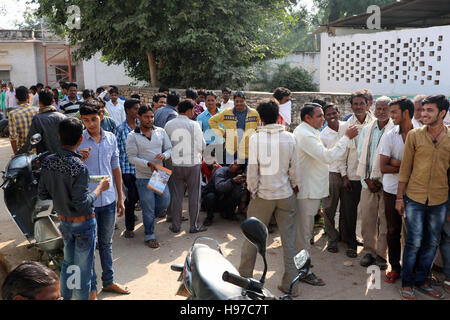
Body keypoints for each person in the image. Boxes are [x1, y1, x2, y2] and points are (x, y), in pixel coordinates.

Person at [38, 118, 110, 300]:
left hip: (64, 222)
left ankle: (65, 298)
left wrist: (61, 191)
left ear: (59, 136)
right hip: (83, 223)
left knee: (69, 266)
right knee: (82, 272)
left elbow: (43, 193)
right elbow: (83, 203)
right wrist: (100, 188)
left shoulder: (48, 162)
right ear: (80, 140)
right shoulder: (79, 167)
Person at [238, 99, 301, 296]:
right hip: (286, 195)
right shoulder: (290, 138)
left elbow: (253, 169)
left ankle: (243, 282)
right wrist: (294, 186)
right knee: (289, 241)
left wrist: (252, 189)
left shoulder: (257, 138)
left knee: (251, 239)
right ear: (278, 116)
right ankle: (291, 285)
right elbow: (295, 169)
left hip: (263, 195)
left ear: (261, 118)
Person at [293, 103, 358, 286]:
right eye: (320, 116)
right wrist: (346, 138)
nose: (324, 119)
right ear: (308, 118)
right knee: (304, 234)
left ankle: (302, 265)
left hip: (310, 190)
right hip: (306, 191)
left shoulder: (309, 131)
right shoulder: (305, 134)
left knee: (304, 233)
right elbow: (328, 157)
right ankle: (303, 271)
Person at [395, 95, 450, 300]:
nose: (423, 114)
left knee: (432, 242)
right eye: (423, 110)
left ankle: (422, 281)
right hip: (415, 198)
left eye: (429, 110)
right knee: (413, 242)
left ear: (442, 113)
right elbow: (405, 169)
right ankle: (407, 283)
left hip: (440, 199)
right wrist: (399, 198)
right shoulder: (414, 136)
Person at [78, 103, 129, 299]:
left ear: (101, 116)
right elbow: (72, 171)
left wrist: (120, 197)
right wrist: (79, 159)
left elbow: (115, 168)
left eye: (93, 119)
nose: (90, 124)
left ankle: (109, 282)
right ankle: (91, 288)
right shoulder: (78, 140)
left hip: (108, 200)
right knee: (89, 245)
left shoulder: (111, 138)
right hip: (87, 200)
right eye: (86, 120)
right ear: (81, 120)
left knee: (106, 243)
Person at [379, 97, 416, 284]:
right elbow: (383, 167)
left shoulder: (420, 134)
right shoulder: (389, 135)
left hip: (415, 192)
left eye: (394, 112)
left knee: (414, 233)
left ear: (406, 113)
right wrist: (406, 167)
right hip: (392, 190)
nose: (390, 115)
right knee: (393, 231)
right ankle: (395, 267)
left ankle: (412, 269)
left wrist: (396, 162)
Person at [127, 105, 172, 248]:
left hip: (159, 174)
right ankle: (149, 235)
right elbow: (131, 158)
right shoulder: (132, 135)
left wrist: (164, 155)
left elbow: (169, 148)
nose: (149, 119)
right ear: (139, 117)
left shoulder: (161, 131)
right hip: (143, 176)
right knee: (148, 207)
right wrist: (148, 164)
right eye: (146, 117)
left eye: (151, 116)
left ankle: (149, 219)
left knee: (165, 200)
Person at [356, 97, 394, 269]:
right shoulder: (367, 130)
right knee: (367, 221)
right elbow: (360, 157)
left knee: (385, 221)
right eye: (378, 108)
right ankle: (369, 252)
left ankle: (381, 255)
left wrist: (379, 179)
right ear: (374, 109)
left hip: (387, 184)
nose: (381, 111)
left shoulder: (395, 131)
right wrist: (368, 179)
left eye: (385, 108)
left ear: (391, 110)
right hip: (367, 184)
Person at [337, 91, 375, 258]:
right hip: (351, 176)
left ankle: (368, 245)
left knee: (367, 213)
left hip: (368, 177)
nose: (358, 107)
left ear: (368, 105)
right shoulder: (345, 126)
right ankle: (351, 243)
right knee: (349, 212)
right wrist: (344, 176)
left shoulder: (375, 124)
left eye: (362, 104)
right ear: (351, 106)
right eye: (355, 104)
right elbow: (340, 153)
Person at [164, 99, 207, 234]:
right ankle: (194, 226)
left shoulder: (169, 125)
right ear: (189, 110)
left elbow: (166, 145)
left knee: (177, 195)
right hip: (193, 164)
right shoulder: (194, 125)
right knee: (194, 196)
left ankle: (176, 226)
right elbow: (202, 145)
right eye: (193, 110)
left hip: (176, 164)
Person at [320, 103, 346, 253]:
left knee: (347, 208)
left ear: (339, 112)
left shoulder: (346, 127)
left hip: (348, 173)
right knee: (329, 208)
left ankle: (345, 236)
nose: (331, 117)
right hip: (331, 173)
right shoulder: (323, 135)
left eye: (333, 113)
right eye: (328, 114)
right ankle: (332, 239)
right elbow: (325, 158)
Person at [209, 91, 260, 165]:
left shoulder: (254, 113)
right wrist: (222, 133)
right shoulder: (227, 112)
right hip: (230, 150)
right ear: (234, 102)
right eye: (237, 101)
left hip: (247, 151)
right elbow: (212, 120)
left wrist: (255, 135)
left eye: (241, 101)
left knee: (246, 174)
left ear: (245, 101)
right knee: (229, 172)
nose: (239, 103)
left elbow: (260, 125)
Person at [114, 99, 140, 239]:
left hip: (142, 169)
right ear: (127, 110)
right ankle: (129, 228)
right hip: (127, 170)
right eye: (135, 109)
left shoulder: (142, 126)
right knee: (131, 198)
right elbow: (116, 152)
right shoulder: (119, 129)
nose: (137, 111)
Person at [17, 90, 66, 154]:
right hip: (63, 157)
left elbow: (31, 142)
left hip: (45, 159)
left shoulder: (38, 119)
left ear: (39, 102)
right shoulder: (63, 117)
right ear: (53, 101)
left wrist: (17, 153)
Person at [8, 86, 38, 154]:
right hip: (37, 151)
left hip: (23, 152)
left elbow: (13, 137)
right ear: (28, 96)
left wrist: (16, 153)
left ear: (15, 97)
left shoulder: (12, 114)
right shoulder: (37, 111)